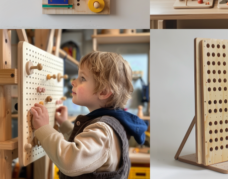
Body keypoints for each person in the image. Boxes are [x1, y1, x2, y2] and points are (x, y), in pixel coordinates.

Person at [31, 51, 148, 179]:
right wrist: (64, 124)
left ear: (103, 92)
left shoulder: (103, 131)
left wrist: (43, 129)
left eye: (82, 78)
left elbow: (70, 161)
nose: (73, 82)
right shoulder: (108, 124)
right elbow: (84, 145)